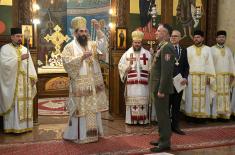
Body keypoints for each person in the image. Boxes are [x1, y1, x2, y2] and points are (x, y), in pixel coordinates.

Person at [61, 16, 109, 144]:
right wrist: (81, 58)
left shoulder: (92, 44)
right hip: (79, 85)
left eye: (85, 31)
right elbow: (66, 62)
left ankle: (93, 134)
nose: (83, 34)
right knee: (80, 109)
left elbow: (103, 45)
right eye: (80, 31)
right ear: (75, 33)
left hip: (92, 83)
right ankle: (80, 135)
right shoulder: (69, 47)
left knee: (92, 108)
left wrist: (98, 30)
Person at [0, 27, 37, 133]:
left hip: (25, 81)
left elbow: (30, 66)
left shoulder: (25, 49)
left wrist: (33, 77)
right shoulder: (5, 49)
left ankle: (26, 126)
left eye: (21, 36)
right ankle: (14, 127)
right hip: (13, 82)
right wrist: (19, 58)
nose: (19, 38)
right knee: (15, 102)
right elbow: (3, 64)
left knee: (25, 102)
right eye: (17, 36)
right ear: (12, 37)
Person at [149, 24, 176, 152]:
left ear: (166, 34)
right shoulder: (162, 46)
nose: (156, 33)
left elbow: (166, 71)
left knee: (163, 115)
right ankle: (162, 138)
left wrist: (161, 89)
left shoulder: (168, 47)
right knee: (160, 115)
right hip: (157, 86)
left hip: (161, 88)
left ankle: (165, 142)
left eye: (159, 31)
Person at [118, 30, 152, 124]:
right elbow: (120, 65)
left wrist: (150, 70)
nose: (137, 44)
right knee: (132, 101)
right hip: (131, 83)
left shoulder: (147, 54)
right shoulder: (127, 54)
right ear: (132, 42)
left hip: (143, 82)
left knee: (142, 101)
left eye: (139, 42)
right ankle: (131, 121)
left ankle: (143, 121)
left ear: (141, 43)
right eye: (135, 42)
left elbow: (151, 65)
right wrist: (126, 68)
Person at [184, 30, 216, 120]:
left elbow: (210, 63)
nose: (196, 39)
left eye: (198, 37)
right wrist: (185, 77)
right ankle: (191, 116)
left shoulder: (208, 49)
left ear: (202, 38)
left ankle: (202, 117)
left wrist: (210, 76)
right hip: (191, 77)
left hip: (203, 77)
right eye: (195, 37)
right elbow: (185, 65)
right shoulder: (188, 49)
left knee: (203, 97)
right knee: (190, 97)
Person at [211, 30, 235, 119]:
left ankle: (225, 115)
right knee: (216, 96)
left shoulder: (228, 50)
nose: (221, 39)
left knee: (226, 96)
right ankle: (215, 114)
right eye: (220, 37)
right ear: (216, 38)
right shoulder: (212, 49)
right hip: (216, 77)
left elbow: (232, 63)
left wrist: (232, 75)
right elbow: (210, 64)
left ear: (225, 38)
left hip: (226, 78)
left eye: (223, 37)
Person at [169, 30, 189, 135]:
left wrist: (185, 78)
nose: (173, 38)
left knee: (176, 106)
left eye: (176, 36)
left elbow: (186, 66)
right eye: (172, 36)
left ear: (180, 38)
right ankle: (166, 128)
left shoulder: (184, 50)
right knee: (167, 106)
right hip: (168, 82)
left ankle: (175, 126)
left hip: (179, 82)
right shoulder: (166, 49)